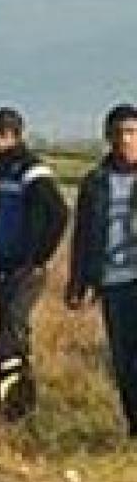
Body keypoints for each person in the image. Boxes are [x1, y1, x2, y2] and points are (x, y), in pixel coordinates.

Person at [0, 107, 69, 422]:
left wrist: (38, 258)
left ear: (7, 135)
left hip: (23, 269)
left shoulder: (31, 169)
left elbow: (58, 213)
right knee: (4, 336)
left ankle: (14, 411)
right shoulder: (3, 168)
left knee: (9, 339)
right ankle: (17, 407)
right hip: (4, 264)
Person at [68, 104, 137, 435]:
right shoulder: (95, 182)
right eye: (120, 132)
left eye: (132, 132)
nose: (126, 139)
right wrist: (77, 281)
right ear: (108, 137)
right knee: (123, 360)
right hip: (112, 280)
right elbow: (82, 233)